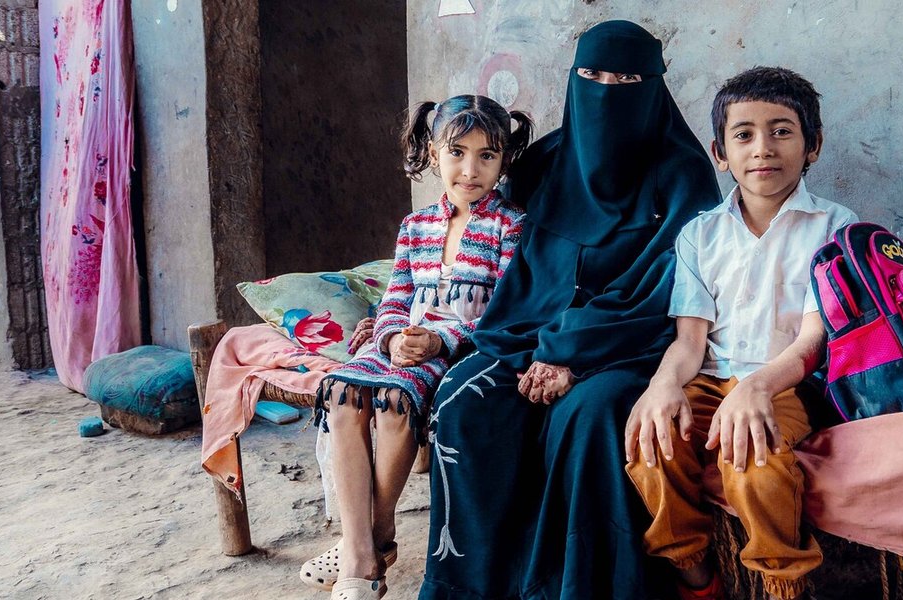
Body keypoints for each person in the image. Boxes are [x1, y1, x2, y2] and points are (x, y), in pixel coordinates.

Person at [418, 20, 717, 600]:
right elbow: (491, 242)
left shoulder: (682, 177)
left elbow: (666, 290)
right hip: (527, 334)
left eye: (627, 77)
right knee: (464, 402)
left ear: (654, 86)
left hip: (628, 347)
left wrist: (570, 353)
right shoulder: (546, 162)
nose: (607, 89)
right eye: (592, 75)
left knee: (592, 415)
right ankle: (472, 588)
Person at [623, 66, 856, 600]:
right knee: (651, 444)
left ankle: (781, 582)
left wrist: (756, 389)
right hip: (708, 379)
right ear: (720, 152)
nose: (762, 149)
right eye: (744, 135)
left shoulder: (835, 227)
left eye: (781, 131)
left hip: (785, 383)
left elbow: (812, 341)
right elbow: (689, 342)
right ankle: (694, 572)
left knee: (754, 462)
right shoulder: (699, 234)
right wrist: (662, 388)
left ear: (812, 145)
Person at [303, 95, 530, 600]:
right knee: (341, 392)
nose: (470, 169)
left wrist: (439, 339)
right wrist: (388, 337)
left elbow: (503, 313)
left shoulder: (510, 226)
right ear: (432, 153)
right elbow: (395, 298)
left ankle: (364, 552)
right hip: (400, 344)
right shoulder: (416, 227)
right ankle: (366, 547)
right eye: (456, 152)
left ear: (504, 160)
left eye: (487, 155)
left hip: (456, 350)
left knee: (392, 403)